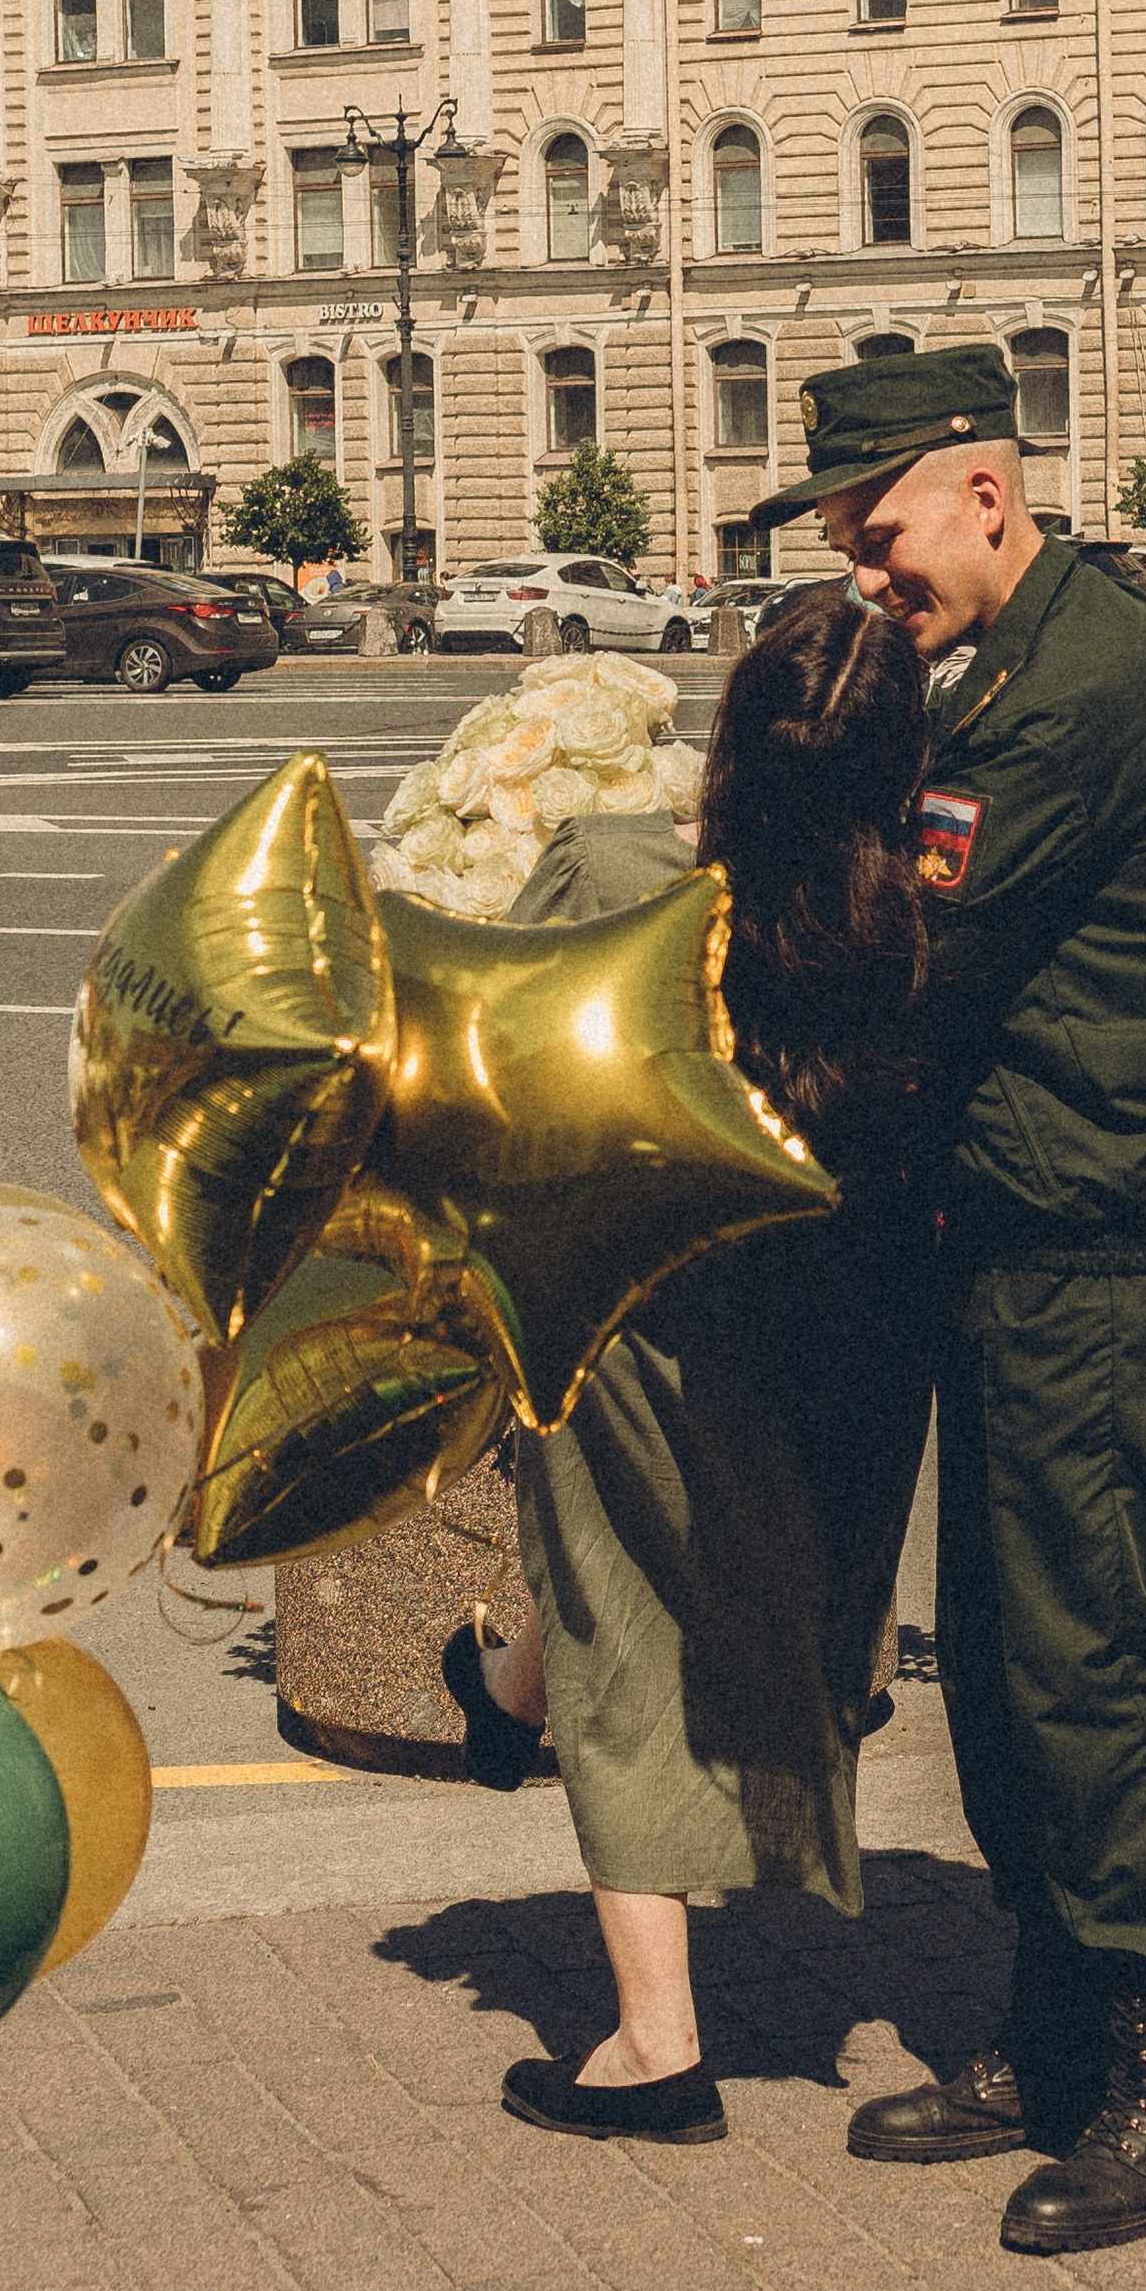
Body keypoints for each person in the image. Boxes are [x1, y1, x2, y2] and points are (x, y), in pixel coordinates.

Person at [750, 343, 1146, 2258]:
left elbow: (910, 955)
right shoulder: (993, 666)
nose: (861, 569)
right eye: (840, 538)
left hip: (1112, 1240)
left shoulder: (1075, 690)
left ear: (987, 489)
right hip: (1019, 1224)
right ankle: (1054, 2036)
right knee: (998, 1645)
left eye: (877, 531)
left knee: (1088, 1659)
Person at [448, 588, 936, 2145]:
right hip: (848, 1327)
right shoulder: (923, 928)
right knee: (769, 1596)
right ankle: (498, 1690)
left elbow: (489, 1049)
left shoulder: (620, 876)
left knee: (618, 1609)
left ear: (729, 749)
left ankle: (655, 2047)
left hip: (651, 1319)